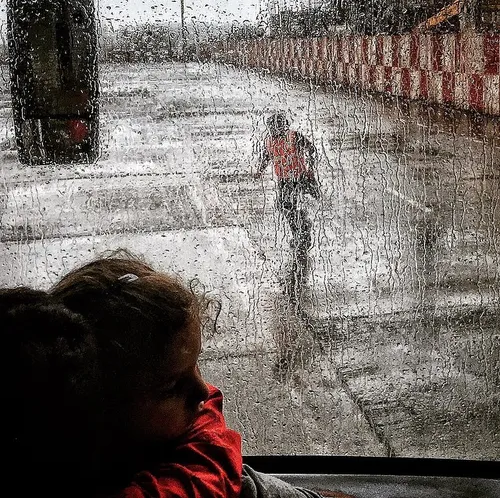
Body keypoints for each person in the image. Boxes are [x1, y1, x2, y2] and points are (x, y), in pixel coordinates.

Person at [2, 250, 341, 498]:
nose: (204, 391)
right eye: (171, 386)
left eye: (195, 366)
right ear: (96, 402)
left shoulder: (188, 442)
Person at [255, 112, 320, 254]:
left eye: (277, 126)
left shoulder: (294, 136)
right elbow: (266, 157)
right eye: (272, 127)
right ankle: (300, 232)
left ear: (284, 126)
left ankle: (303, 227)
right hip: (284, 180)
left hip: (302, 176)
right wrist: (259, 171)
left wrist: (311, 168)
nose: (274, 130)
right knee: (285, 207)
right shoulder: (269, 141)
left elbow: (312, 149)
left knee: (312, 201)